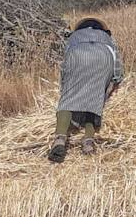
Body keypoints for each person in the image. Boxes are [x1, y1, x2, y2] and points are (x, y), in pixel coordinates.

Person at [50, 17, 124, 163]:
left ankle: (59, 139)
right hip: (102, 57)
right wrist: (115, 81)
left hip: (77, 55)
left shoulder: (74, 37)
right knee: (96, 98)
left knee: (68, 98)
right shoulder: (108, 39)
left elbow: (64, 66)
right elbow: (117, 66)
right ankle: (88, 141)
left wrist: (65, 87)